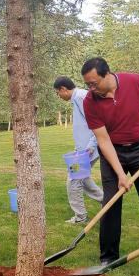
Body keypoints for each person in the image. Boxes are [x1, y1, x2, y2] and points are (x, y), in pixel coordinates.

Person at [81, 56, 139, 276]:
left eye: (93, 83)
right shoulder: (89, 101)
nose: (90, 88)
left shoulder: (134, 81)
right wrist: (120, 174)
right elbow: (103, 140)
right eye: (87, 84)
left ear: (107, 74)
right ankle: (108, 257)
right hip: (112, 151)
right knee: (110, 202)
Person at [53, 76, 104, 225]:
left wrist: (91, 146)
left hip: (89, 149)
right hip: (84, 149)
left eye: (57, 92)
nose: (58, 96)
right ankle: (107, 202)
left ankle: (80, 217)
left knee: (73, 180)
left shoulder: (82, 97)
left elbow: (97, 121)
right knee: (84, 179)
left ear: (63, 89)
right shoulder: (77, 98)